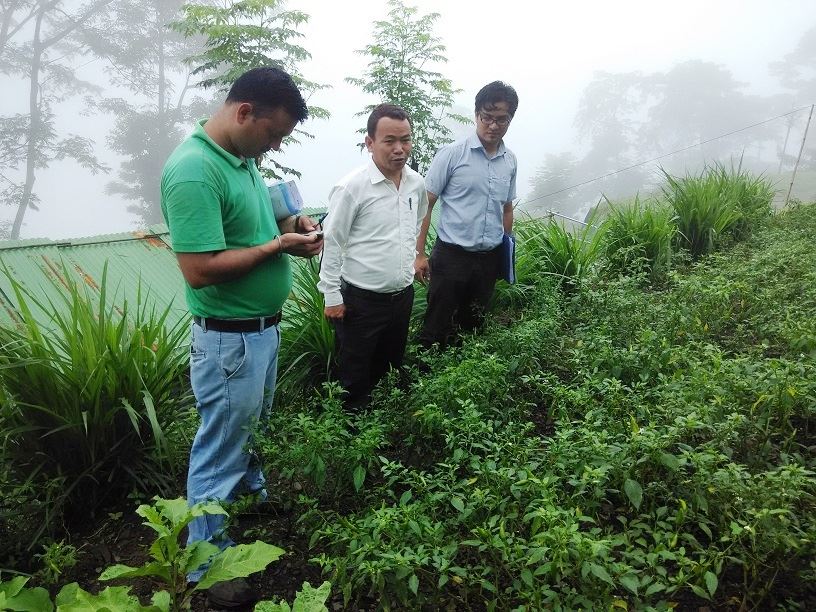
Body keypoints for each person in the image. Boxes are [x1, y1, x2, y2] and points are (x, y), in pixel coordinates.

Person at [160, 66, 323, 609]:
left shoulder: (242, 158)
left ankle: (248, 504)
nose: (274, 146)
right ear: (243, 112)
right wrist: (278, 249)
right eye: (273, 133)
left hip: (260, 333)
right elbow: (201, 268)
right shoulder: (192, 171)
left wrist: (289, 226)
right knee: (220, 448)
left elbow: (252, 225)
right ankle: (208, 564)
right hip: (229, 340)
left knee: (253, 429)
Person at [318, 104, 429, 409]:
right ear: (369, 143)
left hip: (401, 296)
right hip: (360, 301)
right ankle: (353, 437)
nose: (399, 149)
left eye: (405, 140)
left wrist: (417, 255)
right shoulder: (352, 187)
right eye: (389, 141)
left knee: (390, 365)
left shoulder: (415, 183)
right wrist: (331, 295)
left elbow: (418, 221)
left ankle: (384, 431)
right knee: (354, 373)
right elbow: (333, 241)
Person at [415, 81, 519, 349]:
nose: (493, 125)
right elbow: (425, 204)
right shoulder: (452, 154)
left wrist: (505, 254)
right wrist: (419, 254)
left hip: (489, 259)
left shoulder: (510, 161)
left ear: (510, 120)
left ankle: (464, 383)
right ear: (476, 115)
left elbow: (506, 208)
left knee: (473, 326)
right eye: (487, 117)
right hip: (451, 256)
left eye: (501, 119)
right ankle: (426, 382)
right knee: (436, 326)